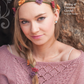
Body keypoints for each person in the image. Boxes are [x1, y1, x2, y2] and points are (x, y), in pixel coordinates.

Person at [0, 0, 84, 84]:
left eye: (41, 18)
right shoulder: (5, 57)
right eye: (24, 22)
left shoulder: (77, 62)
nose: (34, 30)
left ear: (56, 15)